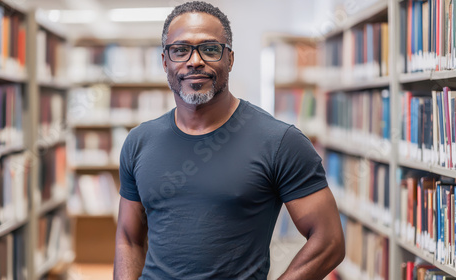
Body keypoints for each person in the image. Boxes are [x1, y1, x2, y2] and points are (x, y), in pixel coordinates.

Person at [113, 1, 345, 279]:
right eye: (180, 50)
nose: (195, 61)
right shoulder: (139, 142)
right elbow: (129, 238)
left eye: (210, 49)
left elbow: (329, 241)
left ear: (230, 59)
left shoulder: (280, 141)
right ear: (165, 61)